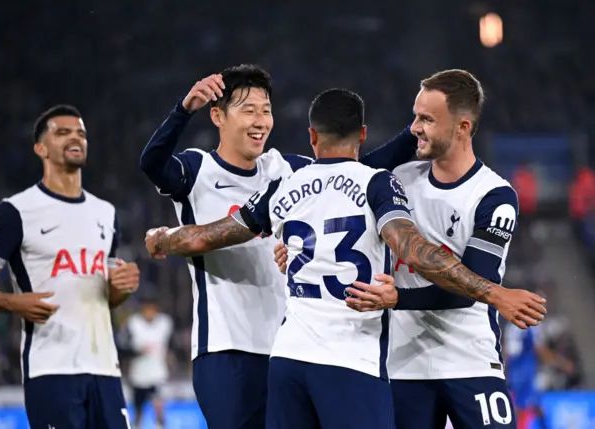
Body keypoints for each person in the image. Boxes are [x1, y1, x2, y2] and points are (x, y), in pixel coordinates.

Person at [144, 88, 546, 429]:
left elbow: (209, 236)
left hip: (288, 361)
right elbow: (411, 249)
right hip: (350, 359)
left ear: (312, 137)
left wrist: (164, 238)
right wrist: (494, 293)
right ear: (363, 134)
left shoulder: (286, 185)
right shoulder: (377, 183)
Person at [139, 64, 417, 429]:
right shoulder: (198, 168)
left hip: (286, 349)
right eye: (248, 110)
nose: (260, 121)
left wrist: (416, 133)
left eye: (266, 110)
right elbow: (152, 164)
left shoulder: (286, 169)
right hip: (226, 350)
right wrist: (182, 110)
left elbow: (354, 167)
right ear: (218, 115)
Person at [285, 69, 540, 429]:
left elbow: (472, 288)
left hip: (470, 360)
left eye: (427, 119)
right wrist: (301, 244)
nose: (414, 128)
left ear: (463, 128)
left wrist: (397, 299)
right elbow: (338, 182)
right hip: (403, 364)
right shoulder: (396, 180)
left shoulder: (493, 196)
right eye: (414, 117)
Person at [0, 105, 140, 429]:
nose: (75, 138)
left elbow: (107, 299)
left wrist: (121, 287)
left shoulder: (106, 213)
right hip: (51, 369)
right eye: (62, 132)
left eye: (81, 133)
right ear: (41, 148)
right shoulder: (15, 211)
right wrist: (13, 302)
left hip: (105, 370)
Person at [124, 294, 174, 429]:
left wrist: (170, 367)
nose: (149, 310)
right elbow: (124, 348)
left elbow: (170, 347)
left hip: (157, 373)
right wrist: (138, 350)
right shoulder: (133, 323)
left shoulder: (165, 323)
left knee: (158, 405)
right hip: (138, 375)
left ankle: (160, 426)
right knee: (139, 410)